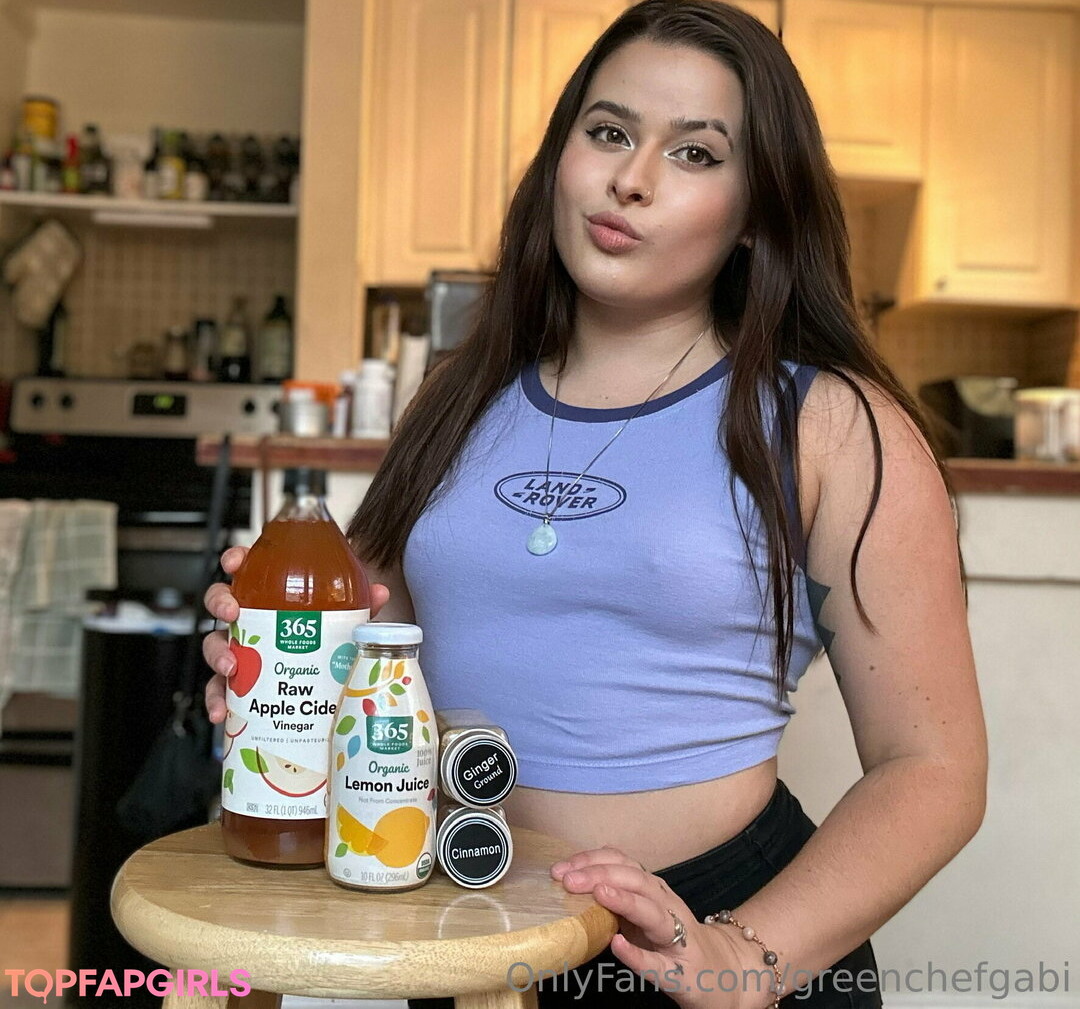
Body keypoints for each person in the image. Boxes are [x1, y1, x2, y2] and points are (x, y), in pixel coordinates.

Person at [204, 2, 987, 1006]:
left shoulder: (830, 424)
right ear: (561, 159)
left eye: (696, 153)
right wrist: (280, 669)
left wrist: (747, 955)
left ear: (757, 211)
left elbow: (933, 768)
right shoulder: (454, 398)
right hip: (465, 921)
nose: (632, 178)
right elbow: (372, 657)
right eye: (609, 132)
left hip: (708, 927)